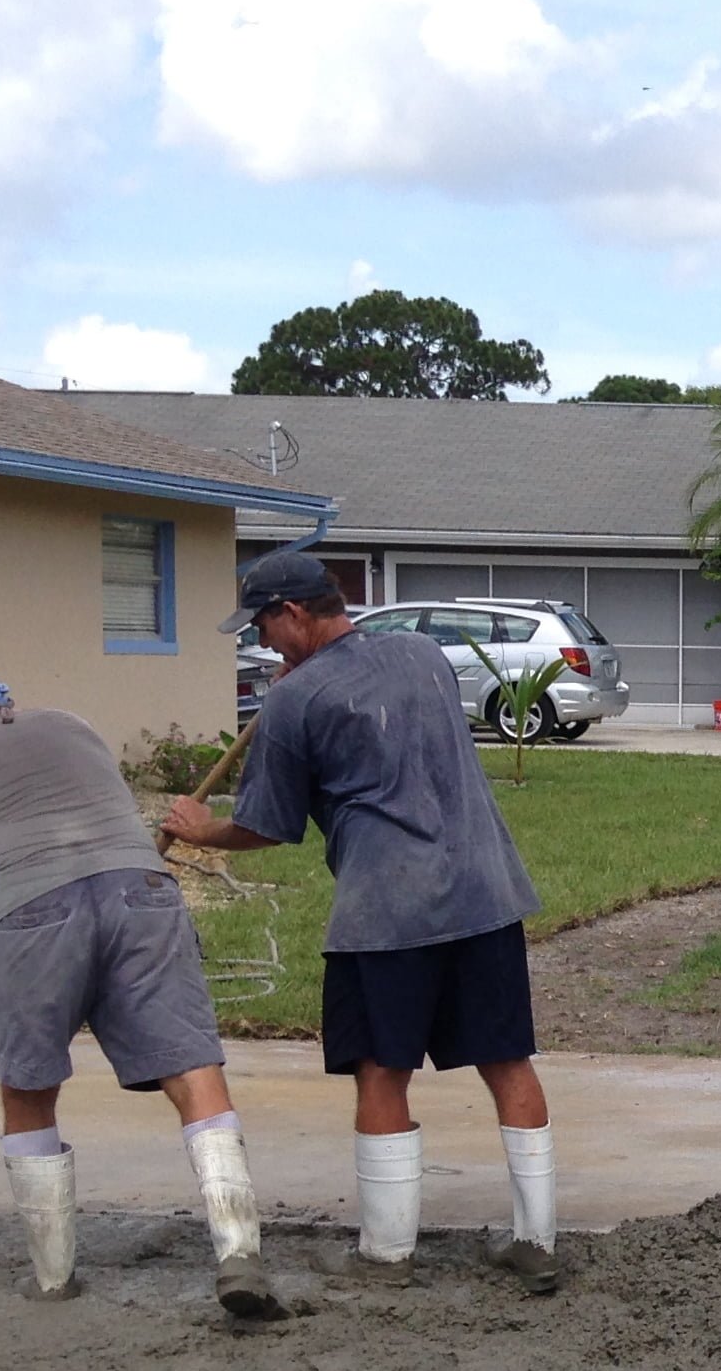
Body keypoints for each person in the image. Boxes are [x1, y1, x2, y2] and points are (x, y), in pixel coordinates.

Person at [0, 652, 272, 1314]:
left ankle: (53, 1278)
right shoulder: (71, 726)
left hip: (31, 915)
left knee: (30, 1086)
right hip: (143, 892)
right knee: (191, 1065)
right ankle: (239, 1251)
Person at [162, 551, 560, 1291]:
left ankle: (386, 1255)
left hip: (385, 914)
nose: (264, 642)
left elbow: (268, 826)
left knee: (381, 1070)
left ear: (293, 613)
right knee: (507, 1061)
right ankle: (537, 1241)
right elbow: (368, 700)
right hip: (485, 893)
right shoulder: (422, 653)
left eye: (265, 626)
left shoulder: (290, 704)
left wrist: (199, 828)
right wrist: (303, 678)